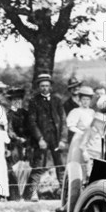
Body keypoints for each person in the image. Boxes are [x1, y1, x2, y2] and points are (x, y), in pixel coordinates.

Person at [24, 73, 67, 202]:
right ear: (38, 87)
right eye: (42, 86)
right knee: (38, 165)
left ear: (51, 86)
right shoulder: (34, 101)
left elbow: (63, 120)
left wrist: (63, 139)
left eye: (47, 86)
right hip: (42, 138)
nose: (45, 88)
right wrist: (39, 139)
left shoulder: (57, 101)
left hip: (56, 137)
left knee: (60, 165)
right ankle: (33, 193)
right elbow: (32, 122)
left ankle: (65, 192)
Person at [6, 87, 30, 200]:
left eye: (19, 99)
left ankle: (25, 194)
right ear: (11, 101)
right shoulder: (9, 114)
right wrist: (18, 138)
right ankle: (14, 195)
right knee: (14, 169)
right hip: (14, 145)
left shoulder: (26, 113)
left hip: (26, 145)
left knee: (26, 168)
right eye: (15, 100)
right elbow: (9, 130)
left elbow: (31, 128)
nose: (18, 102)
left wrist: (27, 139)